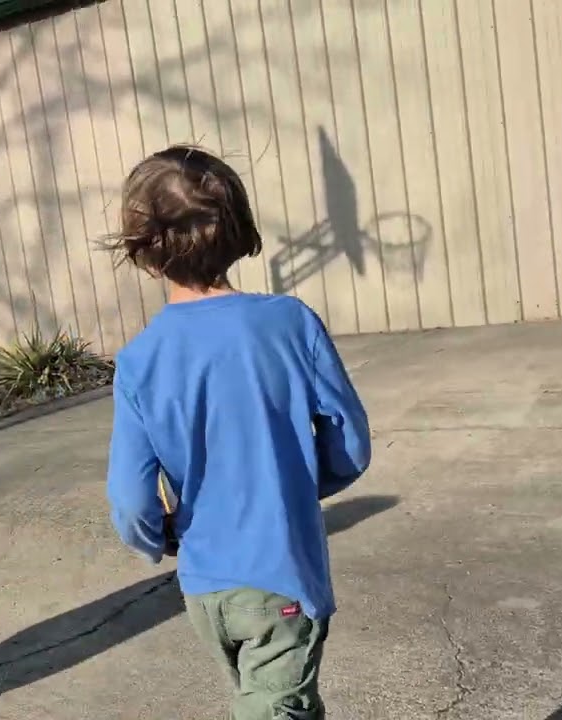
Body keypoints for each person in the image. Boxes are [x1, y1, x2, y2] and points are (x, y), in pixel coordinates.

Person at [105, 146, 372, 720]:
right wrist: (298, 486)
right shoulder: (290, 322)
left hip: (206, 588)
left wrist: (158, 539)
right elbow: (349, 444)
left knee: (266, 703)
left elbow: (130, 501)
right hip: (281, 579)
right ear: (241, 231)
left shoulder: (139, 360)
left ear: (143, 251)